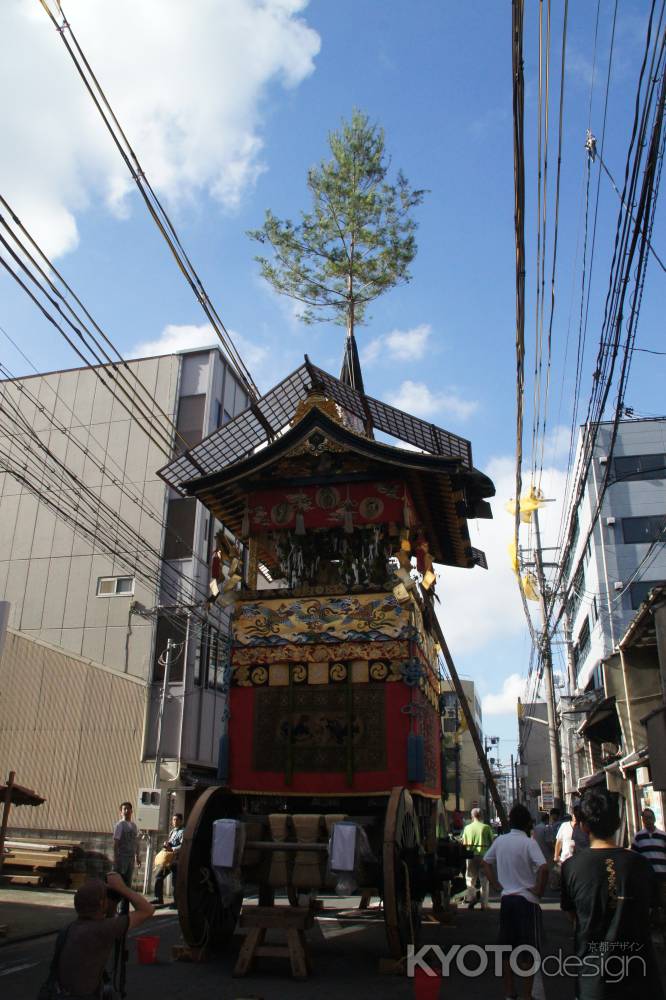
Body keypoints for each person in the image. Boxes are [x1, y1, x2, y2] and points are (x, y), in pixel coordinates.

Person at [561, 787, 663, 1000]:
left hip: (594, 979)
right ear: (618, 823)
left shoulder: (572, 868)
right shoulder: (641, 865)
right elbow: (651, 911)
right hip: (642, 977)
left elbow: (573, 916)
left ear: (584, 826)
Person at [482, 803, 548, 1000]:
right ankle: (527, 995)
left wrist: (496, 885)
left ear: (510, 822)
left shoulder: (500, 841)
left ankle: (510, 992)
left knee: (506, 949)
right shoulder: (528, 843)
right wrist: (538, 890)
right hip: (527, 901)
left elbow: (486, 862)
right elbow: (543, 868)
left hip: (507, 900)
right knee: (528, 950)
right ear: (528, 823)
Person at [55, 872, 154, 998]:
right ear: (102, 904)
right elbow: (147, 910)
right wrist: (121, 888)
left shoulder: (70, 929)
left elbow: (105, 915)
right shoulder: (103, 929)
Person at [462, 806, 493, 910]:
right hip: (484, 856)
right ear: (481, 816)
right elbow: (492, 842)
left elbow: (464, 843)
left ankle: (472, 897)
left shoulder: (467, 828)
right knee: (484, 880)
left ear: (472, 816)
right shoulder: (486, 827)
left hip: (471, 856)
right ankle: (484, 904)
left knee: (470, 879)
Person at [152, 812, 185, 907]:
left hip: (176, 860)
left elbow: (183, 846)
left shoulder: (183, 831)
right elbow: (171, 843)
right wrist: (167, 844)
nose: (175, 821)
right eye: (173, 819)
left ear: (181, 821)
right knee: (158, 876)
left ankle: (176, 902)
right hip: (168, 860)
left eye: (177, 820)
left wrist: (173, 848)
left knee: (175, 881)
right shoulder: (172, 831)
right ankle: (158, 898)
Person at [113, 801, 140, 888]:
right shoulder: (119, 825)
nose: (127, 810)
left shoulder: (134, 826)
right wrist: (115, 858)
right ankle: (119, 900)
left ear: (132, 811)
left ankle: (125, 901)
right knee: (120, 880)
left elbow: (136, 842)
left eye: (129, 809)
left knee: (128, 881)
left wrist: (137, 857)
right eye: (124, 809)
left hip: (131, 857)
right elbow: (116, 842)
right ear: (121, 812)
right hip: (122, 857)